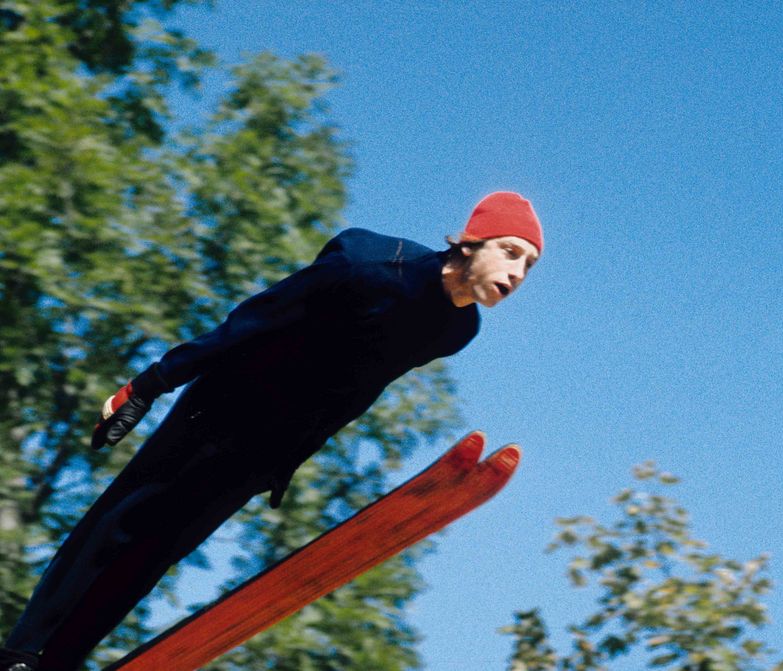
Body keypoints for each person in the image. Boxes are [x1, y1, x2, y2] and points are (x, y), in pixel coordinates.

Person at [0, 192, 543, 671]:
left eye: (530, 266)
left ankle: (63, 662)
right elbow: (254, 319)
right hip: (220, 409)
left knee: (154, 555)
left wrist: (287, 463)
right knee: (118, 523)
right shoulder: (366, 263)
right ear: (472, 243)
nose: (518, 274)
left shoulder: (456, 330)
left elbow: (356, 391)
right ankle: (22, 653)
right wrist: (149, 384)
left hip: (263, 451)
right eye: (512, 253)